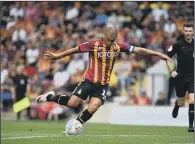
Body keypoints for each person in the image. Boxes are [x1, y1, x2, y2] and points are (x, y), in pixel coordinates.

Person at [36, 26, 172, 125]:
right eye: (110, 40)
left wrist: (159, 54)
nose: (111, 43)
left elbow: (139, 50)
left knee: (94, 106)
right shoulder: (93, 44)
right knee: (73, 103)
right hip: (88, 81)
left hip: (103, 85)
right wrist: (58, 55)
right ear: (105, 36)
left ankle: (76, 125)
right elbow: (75, 50)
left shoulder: (118, 46)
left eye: (114, 40)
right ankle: (50, 96)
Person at [167, 24, 194, 132]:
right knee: (181, 102)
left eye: (190, 31)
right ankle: (177, 106)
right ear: (183, 32)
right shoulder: (178, 45)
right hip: (181, 77)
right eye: (186, 31)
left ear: (193, 32)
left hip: (193, 77)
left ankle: (191, 126)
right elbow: (167, 57)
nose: (188, 33)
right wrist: (172, 70)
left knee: (192, 100)